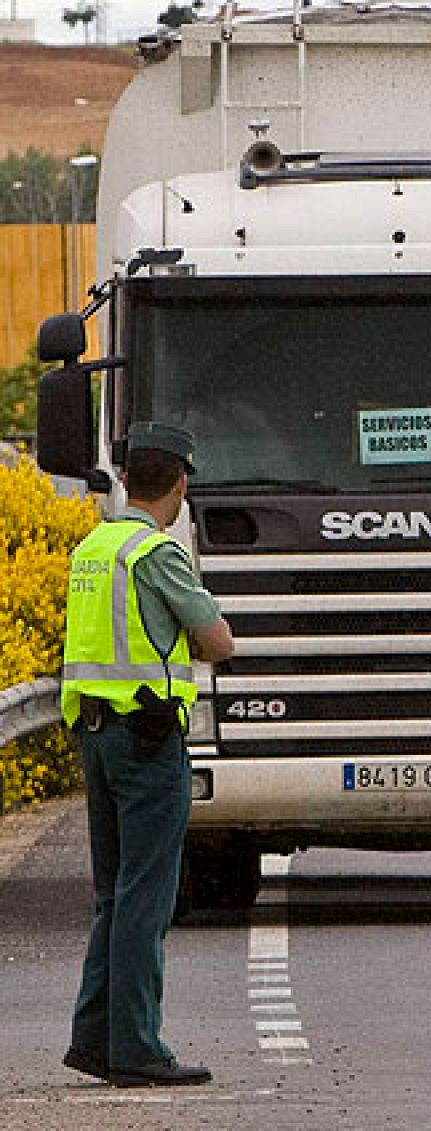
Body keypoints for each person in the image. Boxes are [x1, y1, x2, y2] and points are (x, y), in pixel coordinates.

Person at [60, 422, 235, 1089]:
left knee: (113, 894)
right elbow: (218, 640)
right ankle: (136, 1044)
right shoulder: (155, 554)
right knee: (145, 896)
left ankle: (93, 1037)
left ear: (127, 478)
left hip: (95, 735)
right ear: (181, 484)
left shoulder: (93, 548)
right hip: (148, 738)